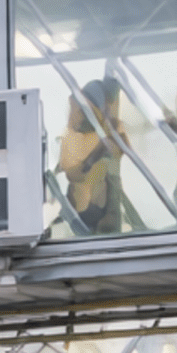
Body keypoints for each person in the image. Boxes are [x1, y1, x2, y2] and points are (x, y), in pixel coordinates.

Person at [56, 78, 133, 236]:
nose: (75, 114)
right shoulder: (70, 137)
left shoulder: (109, 130)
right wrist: (95, 155)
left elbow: (126, 151)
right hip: (77, 216)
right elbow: (73, 174)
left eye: (84, 111)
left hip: (105, 210)